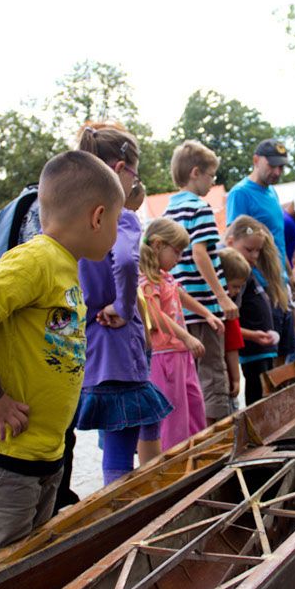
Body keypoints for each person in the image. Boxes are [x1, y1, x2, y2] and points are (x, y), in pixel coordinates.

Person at [0, 151, 124, 560]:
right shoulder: (37, 258)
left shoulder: (66, 266)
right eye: (116, 222)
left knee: (31, 566)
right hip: (5, 458)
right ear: (97, 217)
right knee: (1, 574)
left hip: (44, 457)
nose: (116, 234)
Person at [76, 122, 172, 485]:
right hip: (119, 343)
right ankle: (126, 514)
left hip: (91, 343)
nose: (136, 182)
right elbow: (129, 262)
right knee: (120, 447)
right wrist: (124, 305)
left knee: (116, 437)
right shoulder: (122, 217)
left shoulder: (77, 220)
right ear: (119, 169)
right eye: (136, 173)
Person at [164, 141, 232, 424]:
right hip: (204, 304)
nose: (212, 182)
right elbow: (200, 253)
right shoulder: (199, 208)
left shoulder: (169, 210)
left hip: (181, 307)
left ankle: (197, 429)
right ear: (195, 172)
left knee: (193, 375)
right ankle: (221, 434)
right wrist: (222, 297)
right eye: (210, 175)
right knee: (214, 373)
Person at [139, 217, 218, 451]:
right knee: (175, 415)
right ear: (158, 245)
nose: (180, 258)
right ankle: (176, 458)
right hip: (164, 356)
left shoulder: (166, 277)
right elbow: (154, 315)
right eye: (177, 251)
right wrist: (185, 336)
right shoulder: (146, 280)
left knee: (194, 405)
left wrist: (207, 314)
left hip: (180, 354)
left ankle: (197, 450)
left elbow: (181, 296)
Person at [226, 140, 295, 360]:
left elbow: (276, 238)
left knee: (285, 351)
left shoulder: (272, 193)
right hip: (259, 285)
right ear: (256, 160)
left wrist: (290, 273)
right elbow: (234, 240)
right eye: (272, 166)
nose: (277, 172)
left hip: (280, 282)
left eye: (281, 167)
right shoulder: (241, 193)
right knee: (267, 355)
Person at [226, 216, 286, 404]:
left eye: (257, 251)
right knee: (256, 393)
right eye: (248, 250)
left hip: (263, 346)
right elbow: (229, 321)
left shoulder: (247, 272)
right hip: (251, 349)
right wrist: (252, 335)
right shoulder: (233, 275)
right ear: (231, 243)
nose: (254, 256)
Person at [218, 247, 251, 409]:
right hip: (226, 378)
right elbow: (232, 348)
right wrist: (237, 379)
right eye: (235, 286)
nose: (237, 291)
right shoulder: (229, 311)